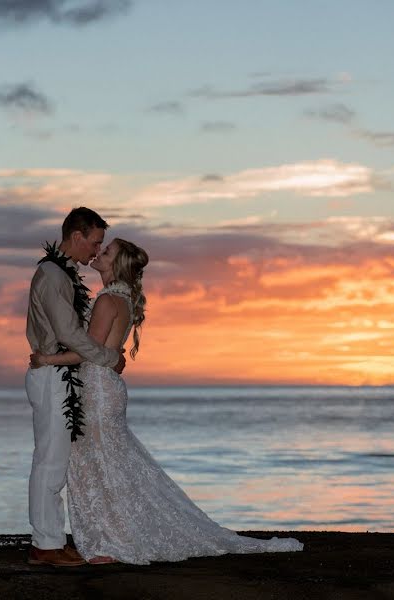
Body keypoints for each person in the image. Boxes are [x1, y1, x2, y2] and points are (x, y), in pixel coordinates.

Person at [32, 238, 303, 565]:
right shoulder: (123, 299)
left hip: (98, 390)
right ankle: (112, 538)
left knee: (100, 465)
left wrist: (48, 360)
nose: (99, 254)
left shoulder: (107, 301)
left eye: (107, 252)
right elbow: (103, 351)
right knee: (106, 463)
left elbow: (90, 351)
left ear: (116, 266)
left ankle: (112, 543)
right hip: (105, 386)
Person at [25, 207, 126, 568]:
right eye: (95, 242)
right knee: (50, 461)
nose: (96, 251)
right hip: (52, 374)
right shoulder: (52, 275)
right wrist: (108, 357)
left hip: (61, 375)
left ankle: (51, 539)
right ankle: (45, 546)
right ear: (76, 236)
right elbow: (68, 333)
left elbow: (73, 332)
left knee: (56, 460)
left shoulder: (63, 275)